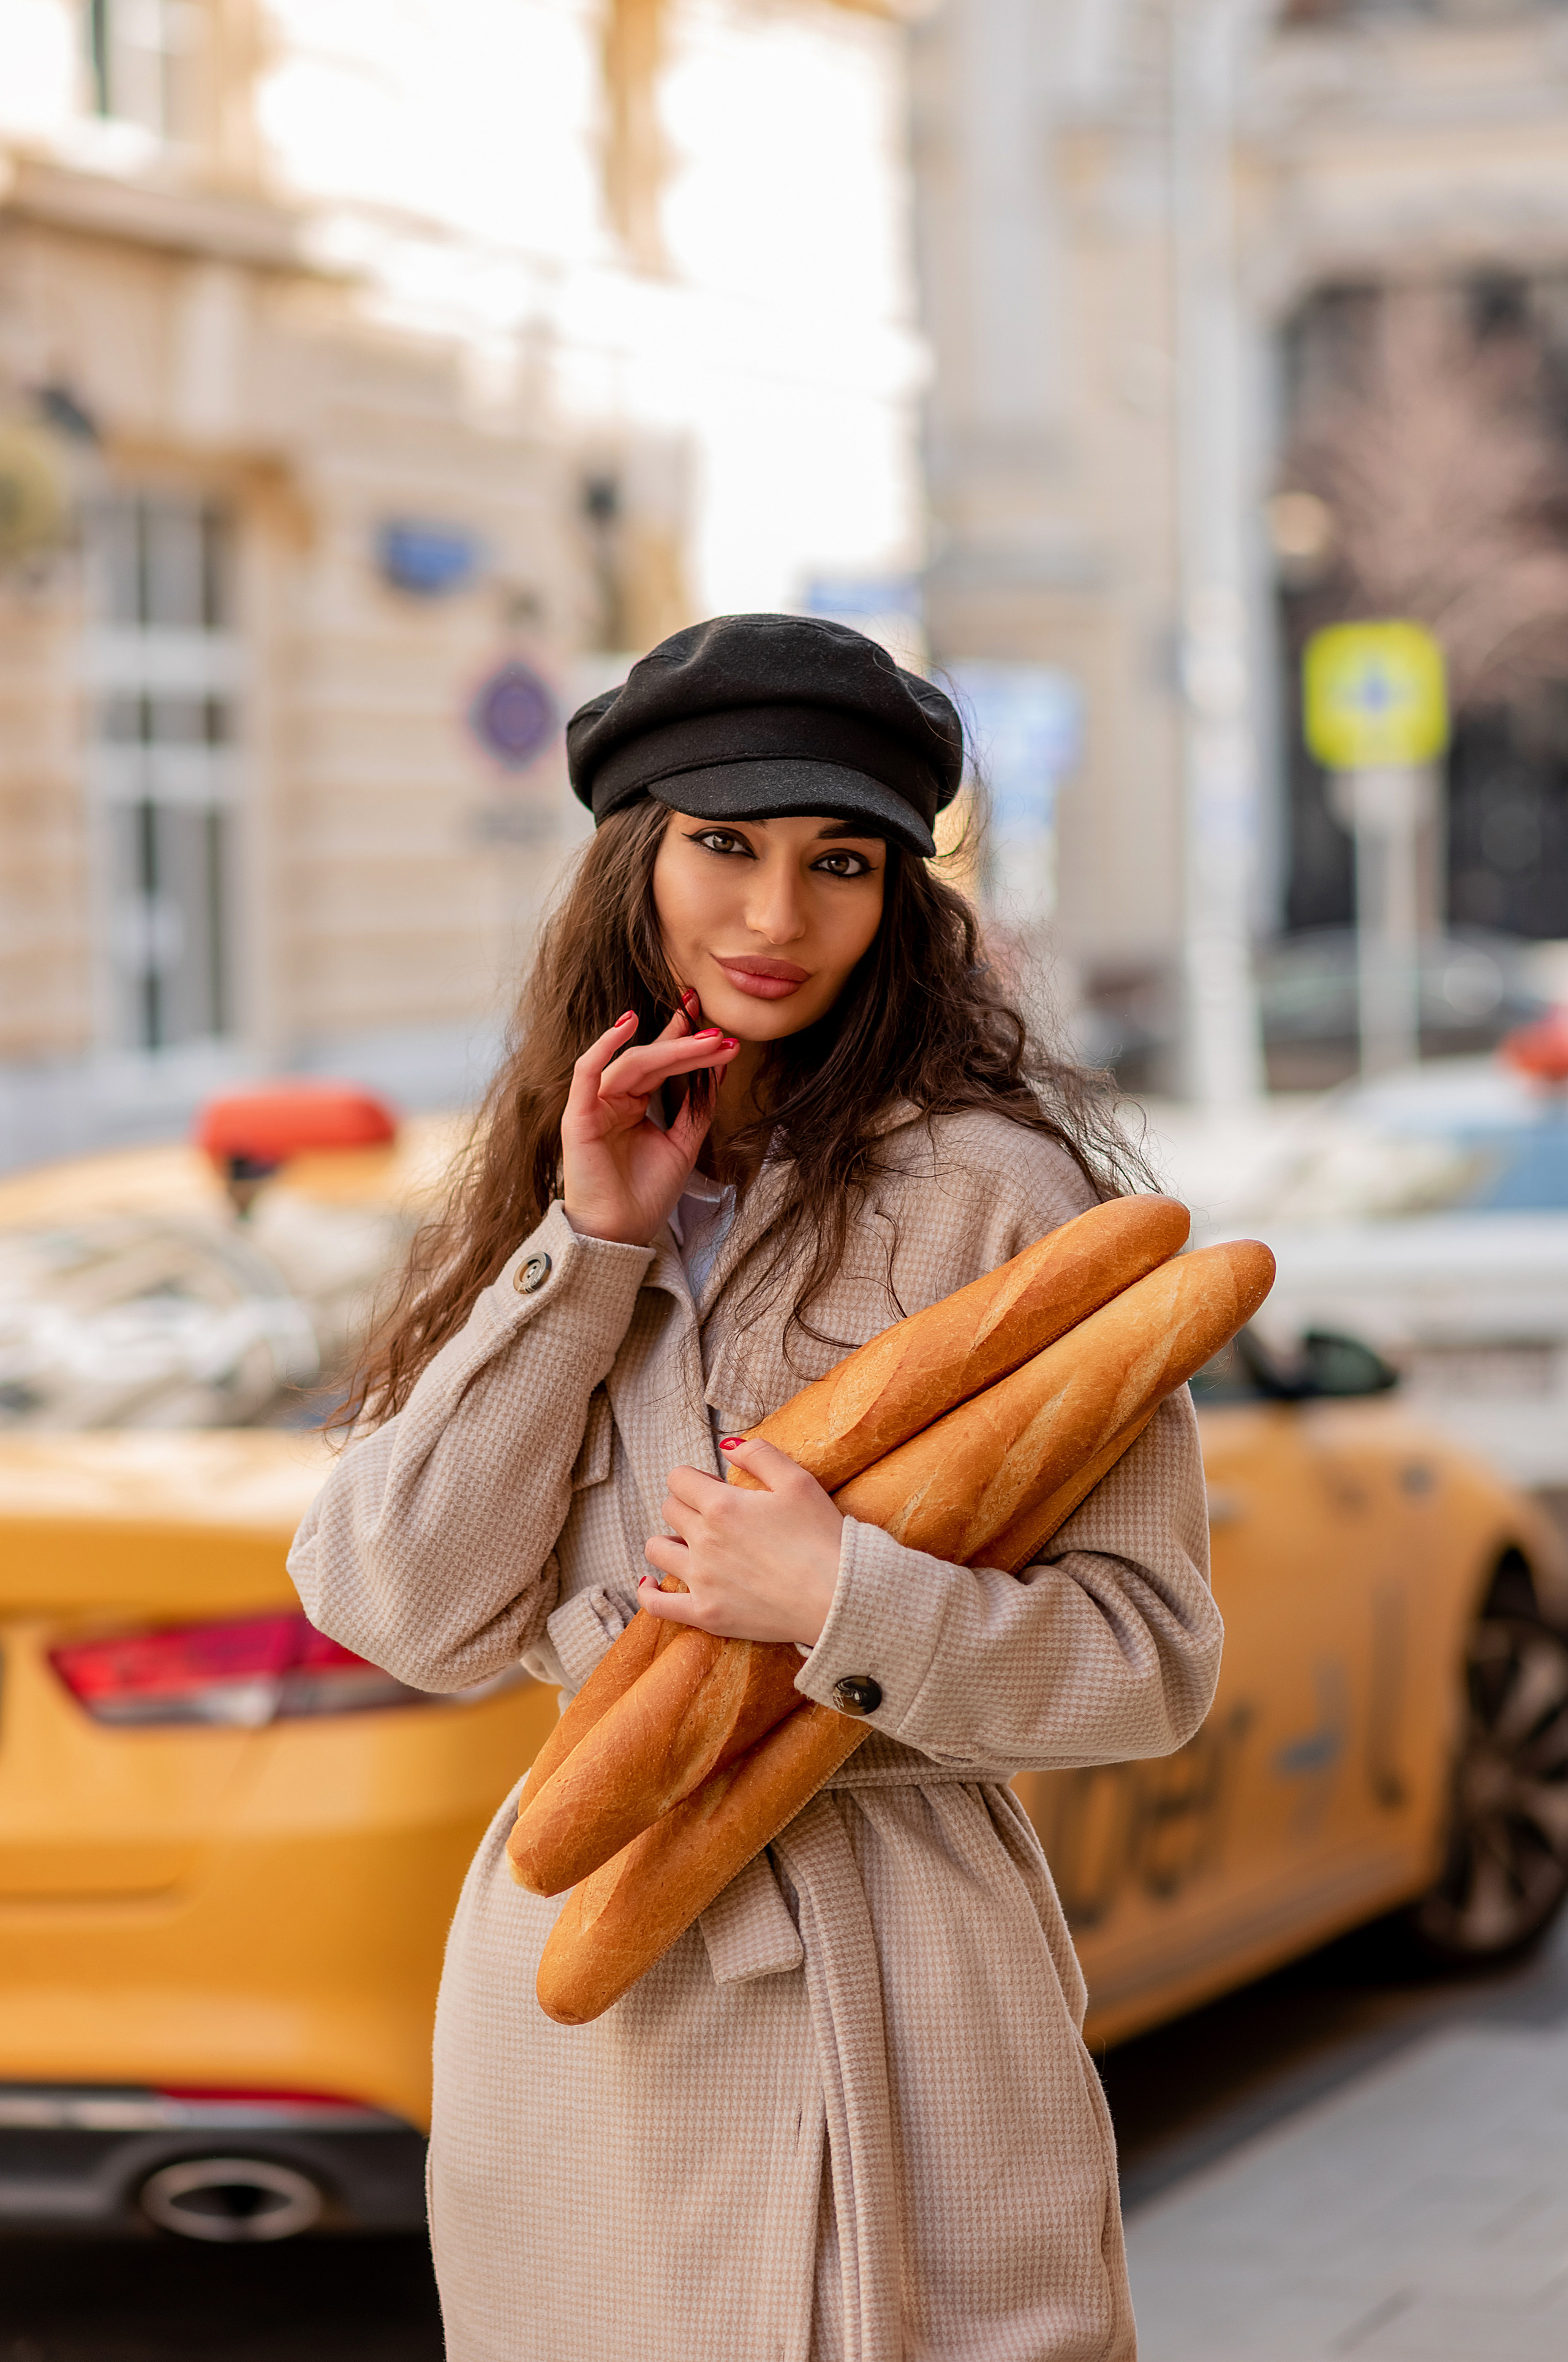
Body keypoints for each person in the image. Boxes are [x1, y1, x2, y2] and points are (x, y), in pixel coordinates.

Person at [288, 613, 1222, 2362]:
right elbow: (400, 1603)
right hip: (584, 2009)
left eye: (839, 862)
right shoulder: (538, 1189)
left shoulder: (996, 1203)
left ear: (900, 898)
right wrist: (588, 1251)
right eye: (724, 847)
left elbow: (1151, 1660)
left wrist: (847, 1606)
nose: (776, 920)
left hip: (905, 1986)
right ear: (636, 863)